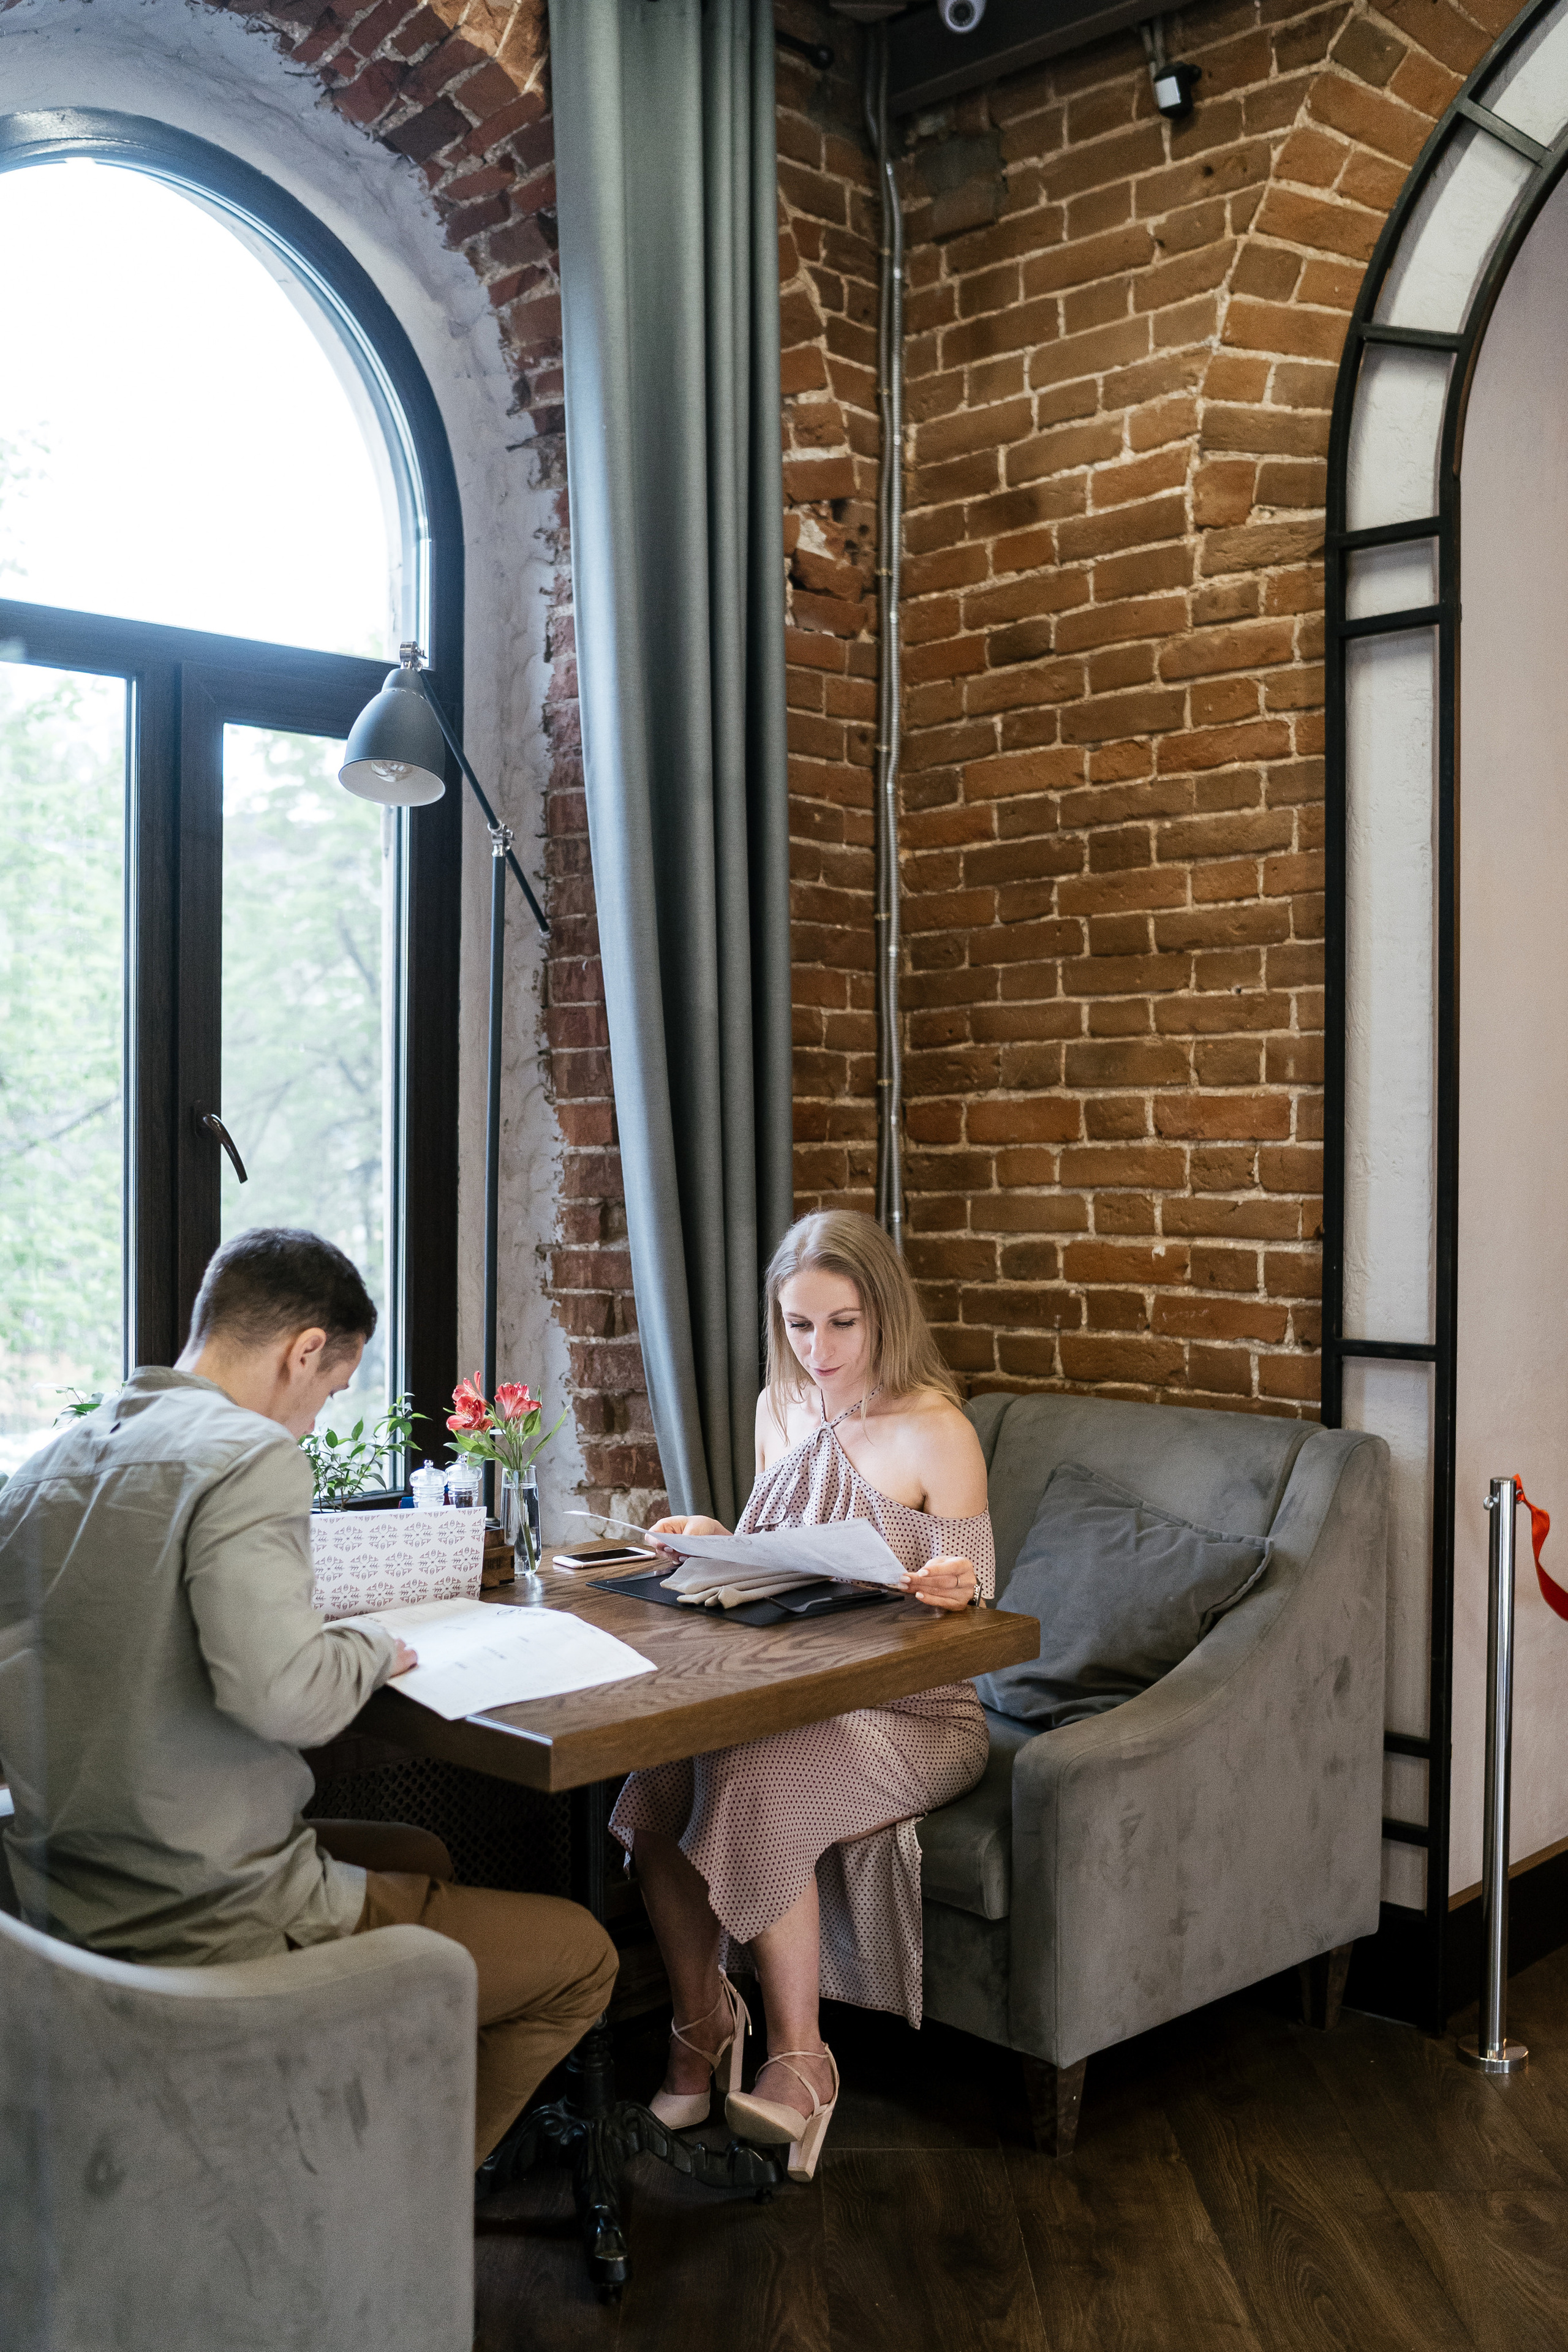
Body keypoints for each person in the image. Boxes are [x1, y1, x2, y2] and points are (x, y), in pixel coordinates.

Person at [0, 1226, 616, 2170]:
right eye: (329, 1393)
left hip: (61, 1901)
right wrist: (368, 1647)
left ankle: (336, 2112)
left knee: (420, 1850)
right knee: (583, 1956)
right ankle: (387, 2210)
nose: (317, 1423)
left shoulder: (45, 1468)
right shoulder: (247, 1455)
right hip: (201, 1916)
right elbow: (284, 1697)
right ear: (304, 1353)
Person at [610, 1208, 992, 2181]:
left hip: (917, 1715)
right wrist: (711, 1539)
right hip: (801, 1697)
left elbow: (978, 1610)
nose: (817, 1350)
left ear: (886, 1318)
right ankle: (701, 2027)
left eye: (842, 1324)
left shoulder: (937, 1430)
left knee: (751, 1777)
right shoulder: (777, 1409)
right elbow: (780, 1565)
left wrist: (954, 1587)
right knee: (652, 1781)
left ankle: (801, 2057)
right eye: (797, 1325)